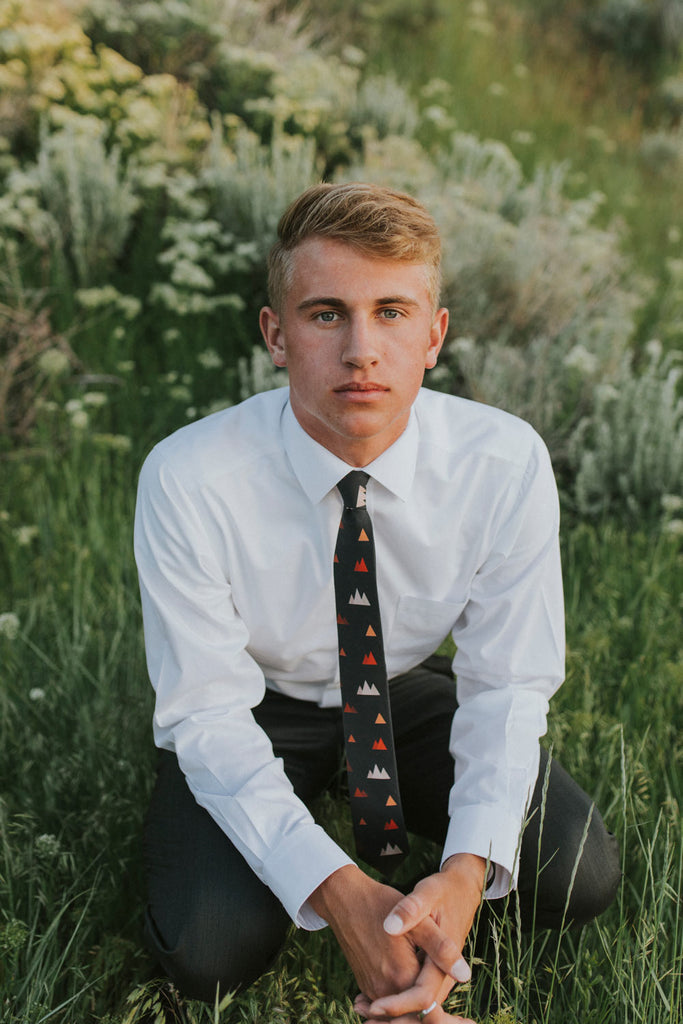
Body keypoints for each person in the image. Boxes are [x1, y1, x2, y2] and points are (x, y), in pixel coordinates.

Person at [134, 182, 620, 1023]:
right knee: (208, 949)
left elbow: (506, 685)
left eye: (391, 312)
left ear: (433, 335)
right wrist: (342, 894)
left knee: (577, 873)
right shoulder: (189, 476)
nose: (362, 349)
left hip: (403, 690)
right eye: (326, 314)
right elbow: (207, 712)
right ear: (275, 335)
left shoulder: (501, 461)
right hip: (258, 707)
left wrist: (466, 872)